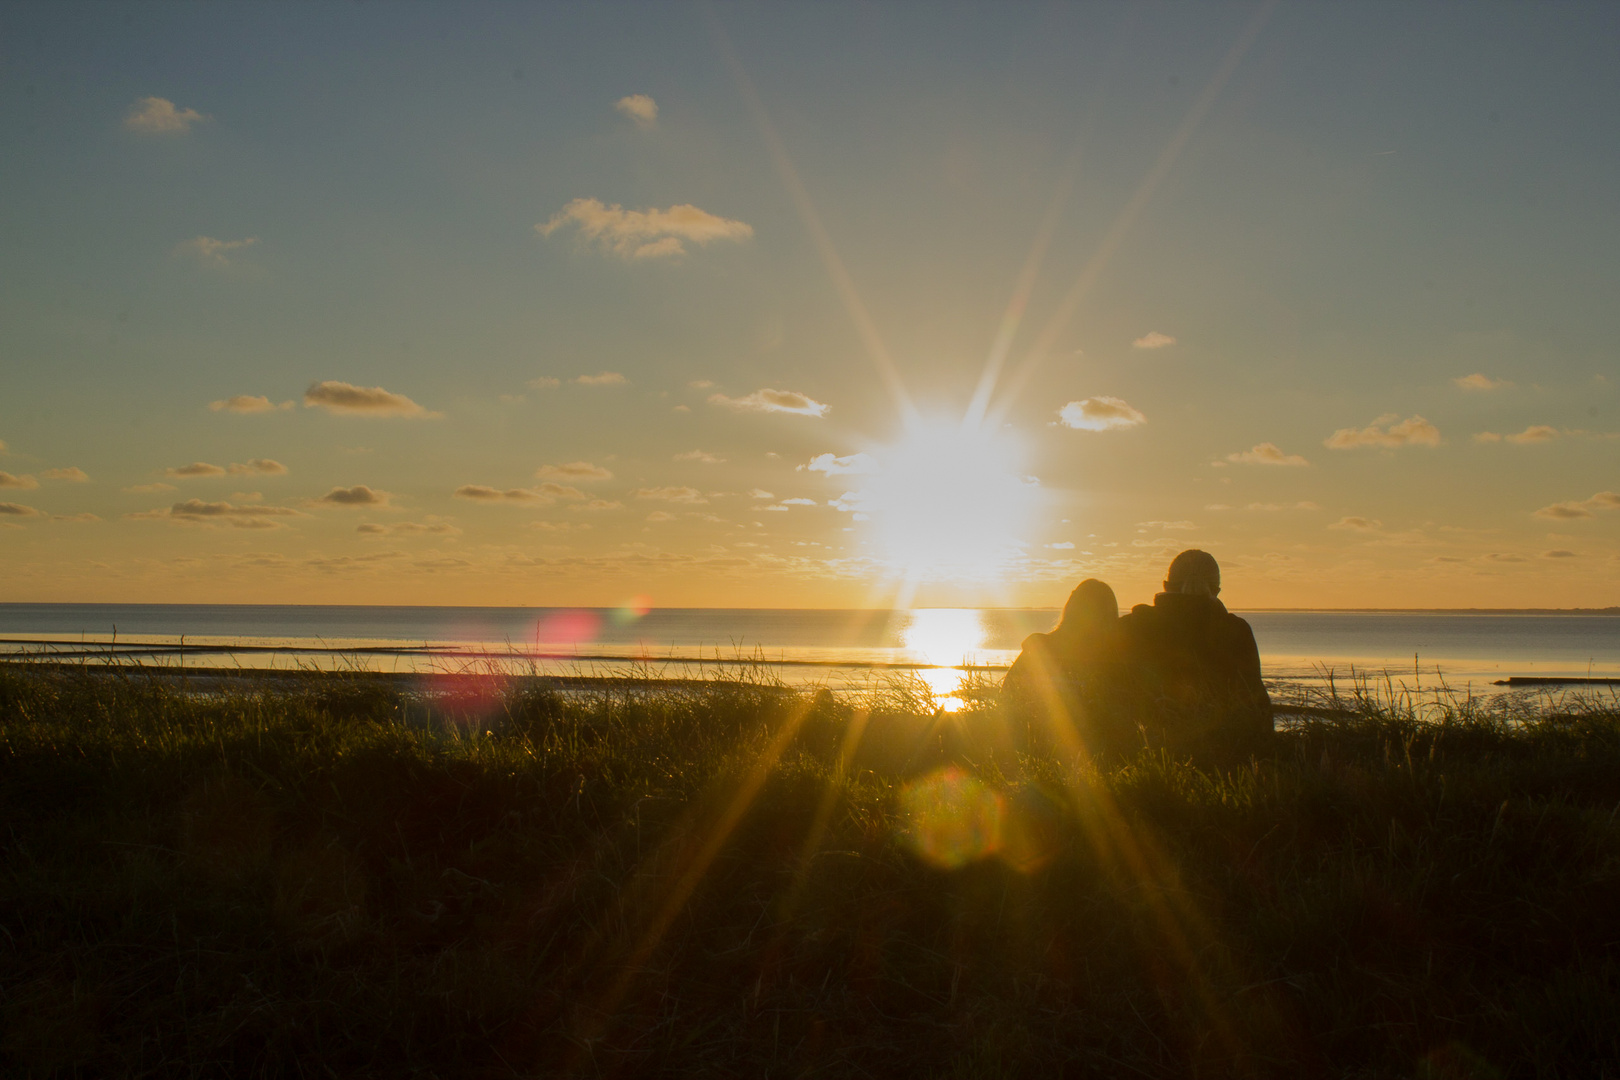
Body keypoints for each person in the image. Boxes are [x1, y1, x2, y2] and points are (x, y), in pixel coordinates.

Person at [1114, 549, 1272, 753]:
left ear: (1165, 586)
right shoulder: (1236, 632)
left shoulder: (1131, 626)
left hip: (1141, 751)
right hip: (1223, 757)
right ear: (1217, 590)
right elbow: (1256, 702)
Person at [1002, 578, 1124, 756]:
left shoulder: (1039, 647)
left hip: (1032, 749)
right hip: (1095, 757)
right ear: (1109, 613)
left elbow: (1007, 696)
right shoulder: (1115, 662)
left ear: (1071, 608)